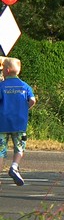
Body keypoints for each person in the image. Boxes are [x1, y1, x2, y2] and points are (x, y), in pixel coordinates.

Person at [0, 58, 36, 186]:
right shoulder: (25, 86)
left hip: (2, 123)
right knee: (19, 147)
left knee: (1, 151)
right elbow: (33, 100)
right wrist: (25, 108)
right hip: (20, 123)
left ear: (7, 70)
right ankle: (14, 166)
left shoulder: (1, 86)